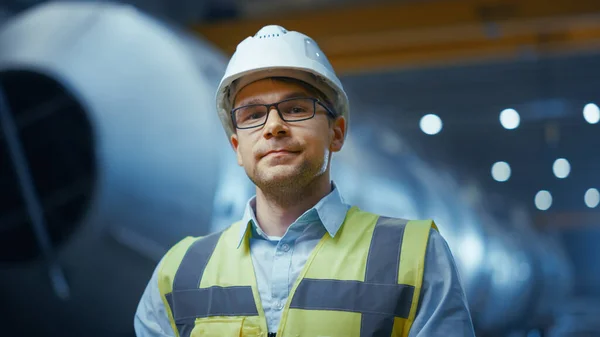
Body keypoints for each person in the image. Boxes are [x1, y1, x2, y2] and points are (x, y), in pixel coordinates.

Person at [134, 25, 476, 337]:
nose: (273, 126)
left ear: (336, 134)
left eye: (296, 109)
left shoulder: (415, 255)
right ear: (237, 148)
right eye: (253, 115)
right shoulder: (178, 273)